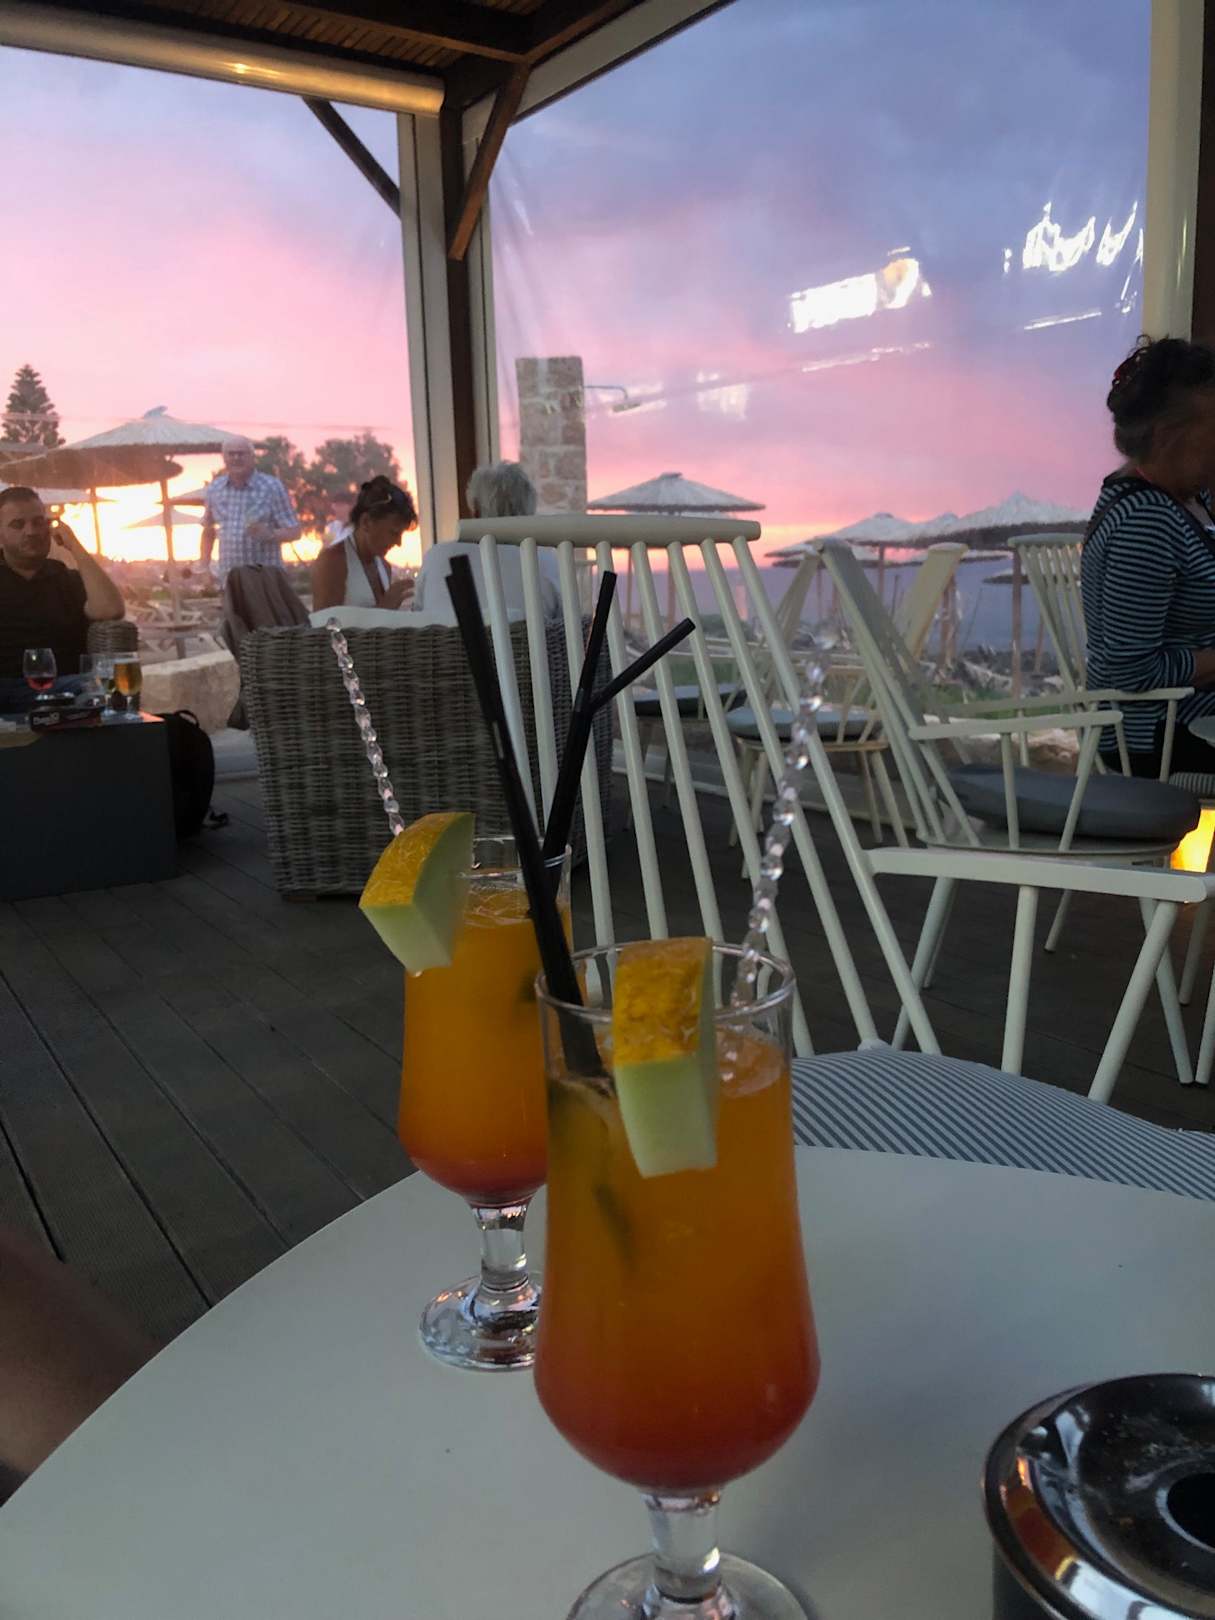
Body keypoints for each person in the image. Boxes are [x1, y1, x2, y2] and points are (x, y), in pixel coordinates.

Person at [1082, 336, 1215, 777]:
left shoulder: (1188, 500)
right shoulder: (1145, 520)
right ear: (1167, 437)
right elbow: (1132, 673)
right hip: (1154, 733)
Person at [0, 486, 124, 707]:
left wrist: (74, 546)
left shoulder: (66, 579)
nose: (31, 531)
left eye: (39, 522)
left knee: (99, 688)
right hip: (6, 689)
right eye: (18, 524)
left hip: (67, 689)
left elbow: (111, 610)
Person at [411, 460, 561, 621]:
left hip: (447, 638)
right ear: (528, 510)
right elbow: (566, 625)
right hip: (527, 639)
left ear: (475, 510)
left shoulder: (437, 557)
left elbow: (417, 618)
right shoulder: (545, 561)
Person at [200, 436, 301, 583]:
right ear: (224, 458)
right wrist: (204, 564)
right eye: (231, 454)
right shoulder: (215, 489)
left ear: (253, 457)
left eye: (241, 453)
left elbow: (295, 532)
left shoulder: (272, 487)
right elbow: (208, 530)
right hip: (229, 579)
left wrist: (270, 534)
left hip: (265, 579)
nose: (236, 458)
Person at [310, 476, 417, 612]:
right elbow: (324, 624)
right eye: (393, 532)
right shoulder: (332, 562)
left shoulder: (384, 566)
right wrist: (386, 607)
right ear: (366, 522)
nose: (398, 543)